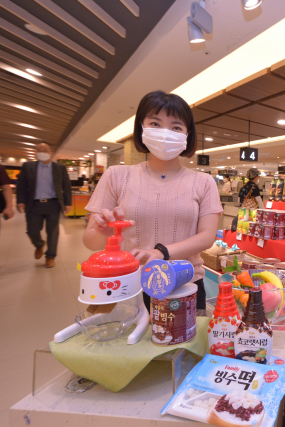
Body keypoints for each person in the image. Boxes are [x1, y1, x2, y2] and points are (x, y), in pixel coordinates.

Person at [83, 91, 223, 311]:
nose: (165, 133)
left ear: (187, 135)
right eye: (155, 124)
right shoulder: (116, 176)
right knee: (127, 341)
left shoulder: (204, 182)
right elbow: (90, 242)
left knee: (184, 345)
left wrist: (160, 253)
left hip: (185, 285)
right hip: (127, 286)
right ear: (142, 128)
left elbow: (206, 237)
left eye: (176, 127)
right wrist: (104, 232)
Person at [16, 143, 72, 268]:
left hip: (53, 204)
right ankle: (39, 244)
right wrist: (20, 200)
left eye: (45, 150)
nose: (41, 152)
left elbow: (66, 186)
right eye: (38, 150)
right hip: (34, 204)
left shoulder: (60, 168)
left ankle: (50, 256)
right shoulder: (28, 166)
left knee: (53, 231)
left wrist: (68, 203)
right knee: (32, 230)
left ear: (51, 153)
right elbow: (21, 185)